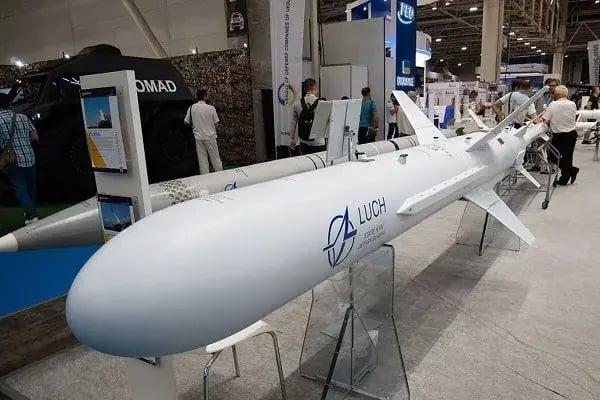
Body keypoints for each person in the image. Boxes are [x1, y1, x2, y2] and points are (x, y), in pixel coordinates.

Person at [0, 93, 39, 224]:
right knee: (31, 187)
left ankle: (31, 216)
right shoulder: (22, 117)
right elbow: (35, 137)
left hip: (12, 160)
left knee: (20, 188)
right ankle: (31, 214)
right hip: (29, 157)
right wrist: (24, 142)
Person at [536, 85, 579, 186]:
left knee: (552, 156)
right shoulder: (572, 104)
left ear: (556, 94)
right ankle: (567, 175)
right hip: (572, 134)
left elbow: (545, 120)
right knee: (568, 157)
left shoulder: (553, 104)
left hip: (559, 135)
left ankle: (571, 172)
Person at [184, 88, 223, 175]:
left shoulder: (191, 108)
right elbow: (216, 124)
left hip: (198, 137)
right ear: (205, 97)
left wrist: (195, 125)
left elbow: (186, 122)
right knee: (216, 160)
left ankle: (205, 179)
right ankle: (221, 176)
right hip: (210, 137)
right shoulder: (211, 108)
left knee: (202, 162)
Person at [289, 78, 326, 154]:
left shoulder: (297, 104)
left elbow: (293, 123)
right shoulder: (323, 103)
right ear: (316, 88)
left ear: (304, 89)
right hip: (318, 142)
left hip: (303, 141)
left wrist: (292, 139)